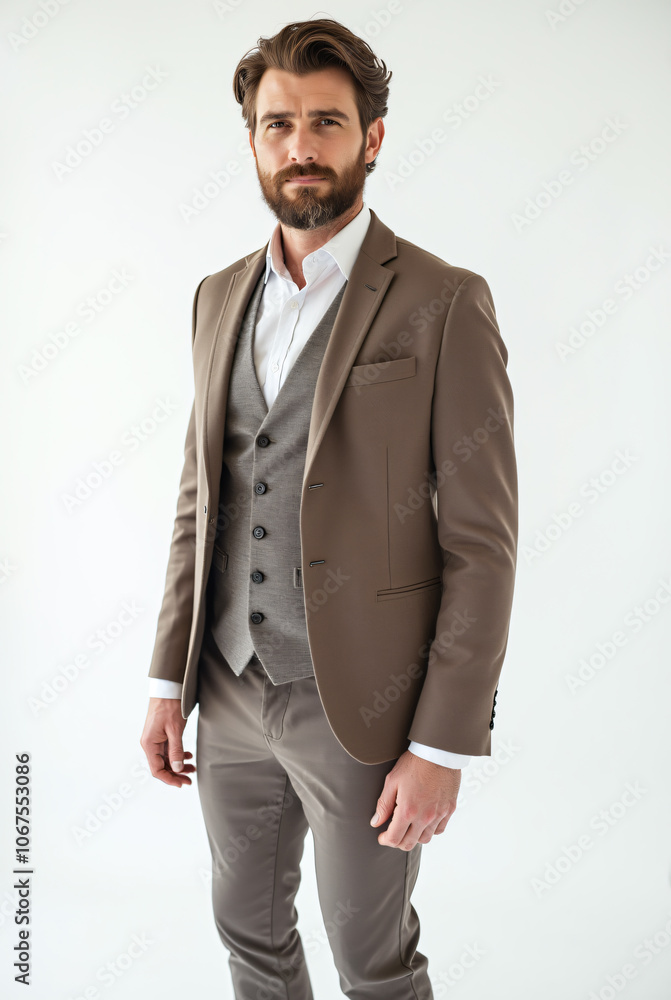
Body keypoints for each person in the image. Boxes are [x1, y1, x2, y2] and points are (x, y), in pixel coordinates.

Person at [140, 16, 518, 999]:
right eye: (276, 124)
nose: (299, 146)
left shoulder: (443, 302)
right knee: (249, 937)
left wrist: (440, 742)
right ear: (252, 137)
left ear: (372, 139)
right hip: (224, 688)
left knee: (372, 959)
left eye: (325, 122)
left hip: (363, 706)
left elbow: (482, 543)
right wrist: (164, 676)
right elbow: (200, 498)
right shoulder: (216, 296)